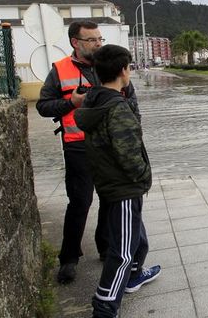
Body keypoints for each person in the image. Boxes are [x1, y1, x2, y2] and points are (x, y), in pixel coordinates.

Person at [36, 21, 138, 284]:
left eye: (99, 39)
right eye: (91, 40)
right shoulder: (60, 70)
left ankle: (105, 247)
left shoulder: (112, 65)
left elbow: (132, 103)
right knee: (80, 202)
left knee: (110, 197)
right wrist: (72, 101)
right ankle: (69, 259)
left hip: (109, 146)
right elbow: (44, 106)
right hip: (78, 145)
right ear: (75, 43)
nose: (98, 44)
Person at [75, 44, 160, 317]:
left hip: (111, 184)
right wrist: (144, 176)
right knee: (122, 252)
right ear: (124, 70)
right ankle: (105, 306)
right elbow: (128, 151)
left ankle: (135, 276)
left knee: (138, 239)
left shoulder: (94, 100)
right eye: (129, 67)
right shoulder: (117, 108)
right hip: (123, 187)